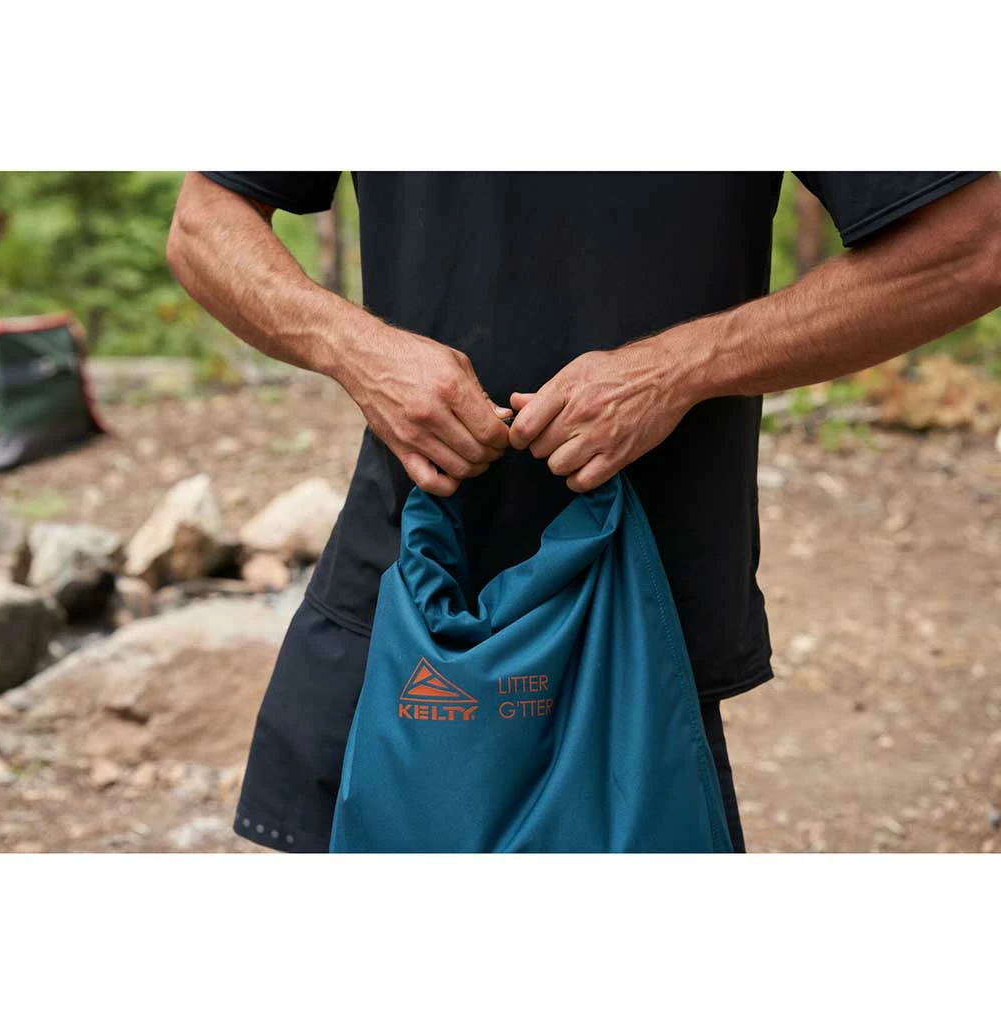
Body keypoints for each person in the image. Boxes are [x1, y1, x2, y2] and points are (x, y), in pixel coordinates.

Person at [168, 171, 1001, 853]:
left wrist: (681, 366)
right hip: (404, 600)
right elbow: (204, 225)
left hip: (637, 628)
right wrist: (355, 347)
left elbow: (974, 240)